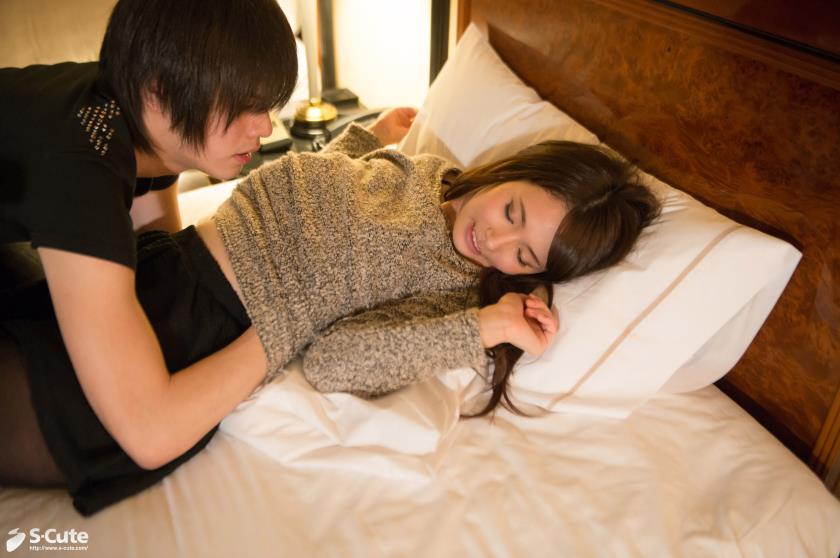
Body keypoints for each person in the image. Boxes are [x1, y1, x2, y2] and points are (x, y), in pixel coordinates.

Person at [0, 108, 660, 515]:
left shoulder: (456, 288)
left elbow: (336, 360)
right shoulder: (431, 173)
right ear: (513, 171)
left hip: (199, 326)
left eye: (524, 256)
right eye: (511, 211)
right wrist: (368, 137)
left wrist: (488, 326)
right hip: (166, 262)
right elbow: (332, 193)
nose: (496, 240)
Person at [0, 0, 297, 513]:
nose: (265, 128)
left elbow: (160, 261)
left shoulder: (138, 117)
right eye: (244, 106)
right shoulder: (82, 161)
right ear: (159, 90)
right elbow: (149, 432)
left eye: (267, 105)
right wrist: (286, 326)